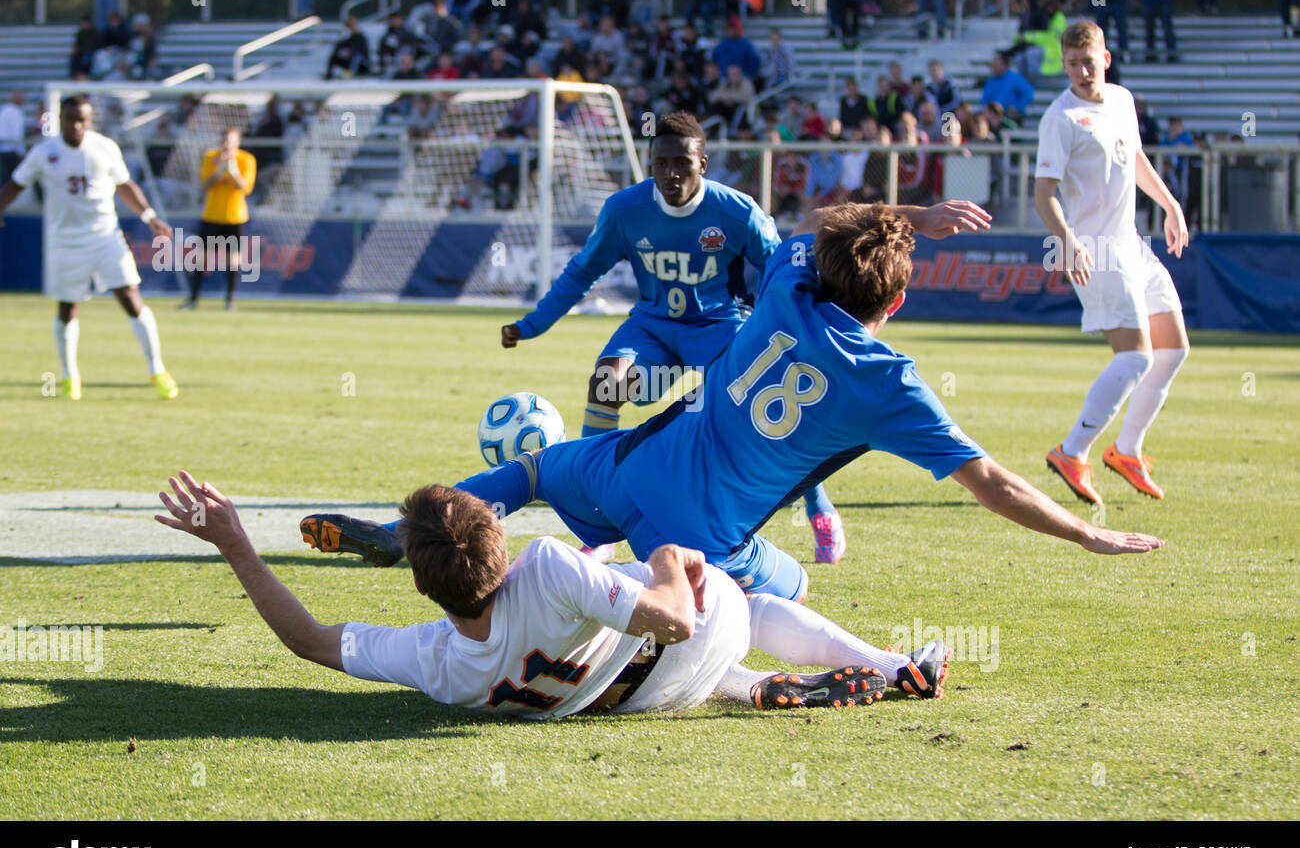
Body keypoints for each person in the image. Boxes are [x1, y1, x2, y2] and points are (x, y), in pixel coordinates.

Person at [302, 200, 1166, 607]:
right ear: (895, 305)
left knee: (528, 468)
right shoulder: (889, 381)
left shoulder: (789, 280)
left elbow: (830, 219)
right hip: (697, 536)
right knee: (790, 592)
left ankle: (416, 529)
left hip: (628, 463)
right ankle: (582, 579)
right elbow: (993, 481)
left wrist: (909, 214)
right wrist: (1088, 532)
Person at [161, 471, 954, 721]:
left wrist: (235, 543)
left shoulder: (436, 661)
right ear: (499, 546)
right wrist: (670, 560)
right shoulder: (544, 566)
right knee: (730, 585)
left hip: (634, 704)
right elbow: (675, 620)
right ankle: (893, 667)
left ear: (423, 584)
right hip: (681, 647)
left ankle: (752, 689)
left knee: (647, 638)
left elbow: (309, 639)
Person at [495, 113, 846, 565]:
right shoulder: (625, 211)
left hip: (721, 328)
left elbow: (781, 269)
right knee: (607, 382)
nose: (671, 173)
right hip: (653, 329)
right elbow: (584, 269)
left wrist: (796, 328)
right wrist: (533, 324)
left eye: (682, 162)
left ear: (703, 162)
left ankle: (819, 508)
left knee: (766, 409)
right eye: (661, 163)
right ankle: (599, 524)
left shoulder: (736, 212)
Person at [1034, 21, 1189, 505]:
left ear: (1105, 57)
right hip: (1096, 251)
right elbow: (1043, 195)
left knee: (1174, 349)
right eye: (1072, 63)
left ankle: (1127, 451)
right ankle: (1072, 450)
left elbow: (1136, 157)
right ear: (1064, 64)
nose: (1081, 71)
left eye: (1089, 60)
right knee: (1137, 356)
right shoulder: (1060, 118)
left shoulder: (1121, 99)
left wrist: (1169, 204)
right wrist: (1070, 242)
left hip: (1132, 244)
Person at [0, 95, 177, 401]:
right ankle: (70, 375)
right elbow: (17, 183)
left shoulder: (104, 147)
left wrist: (150, 217)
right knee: (68, 308)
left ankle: (157, 369)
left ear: (90, 120)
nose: (77, 126)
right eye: (71, 120)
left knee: (130, 297)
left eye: (82, 120)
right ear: (61, 119)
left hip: (105, 235)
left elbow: (125, 185)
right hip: (64, 242)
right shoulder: (46, 152)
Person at [181, 127, 256, 311]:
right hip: (212, 215)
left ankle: (229, 301)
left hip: (235, 216)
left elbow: (246, 188)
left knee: (233, 260)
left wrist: (233, 171)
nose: (226, 145)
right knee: (201, 259)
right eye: (224, 140)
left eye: (230, 141)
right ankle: (193, 299)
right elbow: (205, 184)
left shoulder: (246, 159)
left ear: (237, 142)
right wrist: (218, 171)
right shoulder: (210, 157)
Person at [979, 52, 1034, 124]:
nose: (993, 67)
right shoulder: (990, 82)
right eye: (993, 64)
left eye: (997, 64)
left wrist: (1017, 107)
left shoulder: (1014, 78)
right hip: (994, 114)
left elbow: (1029, 93)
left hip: (1010, 113)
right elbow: (984, 100)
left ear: (1004, 64)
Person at [325, 15, 371, 79]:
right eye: (348, 25)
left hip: (360, 64)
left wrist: (350, 51)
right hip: (347, 62)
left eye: (352, 24)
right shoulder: (344, 38)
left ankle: (351, 74)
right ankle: (330, 75)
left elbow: (362, 51)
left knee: (357, 57)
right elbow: (337, 51)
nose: (350, 27)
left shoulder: (361, 37)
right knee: (334, 57)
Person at [0, 91, 24, 185]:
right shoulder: (16, 112)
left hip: (2, 149)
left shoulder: (4, 110)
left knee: (4, 179)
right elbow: (17, 134)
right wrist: (21, 152)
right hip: (12, 150)